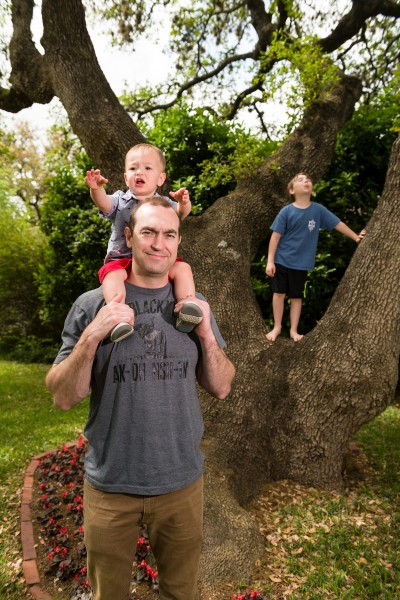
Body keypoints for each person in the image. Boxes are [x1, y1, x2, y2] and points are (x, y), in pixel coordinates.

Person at [45, 197, 235, 600]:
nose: (158, 243)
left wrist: (204, 335)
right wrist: (94, 334)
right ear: (128, 237)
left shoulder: (194, 306)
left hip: (181, 483)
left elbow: (222, 386)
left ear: (178, 242)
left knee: (181, 592)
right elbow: (62, 396)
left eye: (168, 234)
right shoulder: (91, 305)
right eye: (148, 232)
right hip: (112, 485)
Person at [85, 142, 202, 343]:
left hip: (154, 257)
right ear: (125, 177)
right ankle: (119, 317)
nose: (140, 172)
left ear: (160, 178)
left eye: (148, 168)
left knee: (182, 268)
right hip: (122, 258)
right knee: (112, 277)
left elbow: (181, 214)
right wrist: (96, 189)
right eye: (133, 168)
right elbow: (104, 203)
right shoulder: (120, 200)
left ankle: (186, 305)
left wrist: (184, 203)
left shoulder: (164, 204)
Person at [265, 172, 366, 342]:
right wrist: (270, 261)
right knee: (279, 293)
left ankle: (293, 331)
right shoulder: (286, 211)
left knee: (296, 297)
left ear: (312, 190)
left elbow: (337, 224)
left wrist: (356, 237)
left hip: (301, 264)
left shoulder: (318, 210)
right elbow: (275, 237)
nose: (306, 181)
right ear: (291, 190)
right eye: (300, 180)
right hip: (281, 260)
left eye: (309, 180)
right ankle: (277, 327)